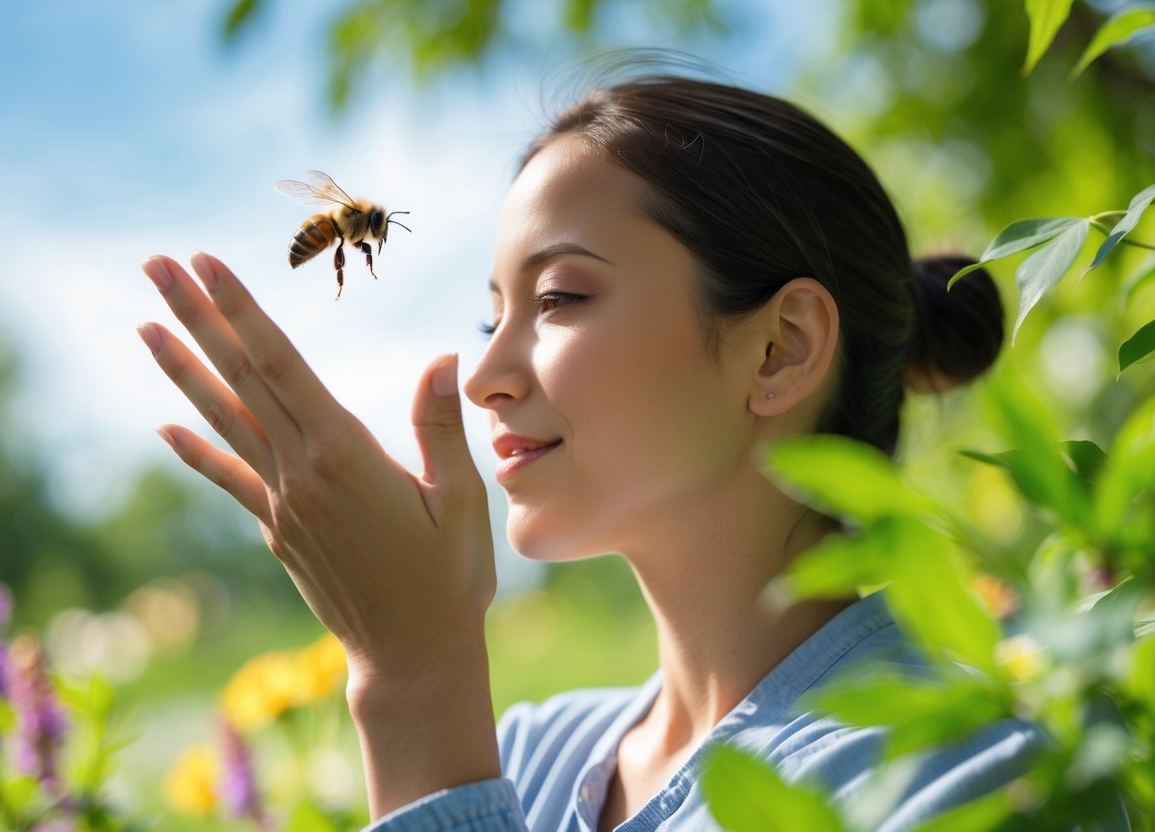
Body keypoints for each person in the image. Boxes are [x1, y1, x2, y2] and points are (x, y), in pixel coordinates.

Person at [136, 73, 1047, 831]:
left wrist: (416, 685)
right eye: (489, 316)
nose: (485, 371)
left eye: (560, 298)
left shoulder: (958, 770)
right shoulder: (529, 759)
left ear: (781, 349)